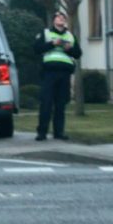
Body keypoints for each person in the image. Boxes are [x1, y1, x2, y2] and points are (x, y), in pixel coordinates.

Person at [34, 11, 81, 141]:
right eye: (58, 17)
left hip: (64, 73)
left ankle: (59, 132)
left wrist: (69, 49)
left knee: (61, 104)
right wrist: (52, 44)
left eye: (63, 17)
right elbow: (36, 48)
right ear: (54, 20)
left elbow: (78, 53)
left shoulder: (70, 36)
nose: (61, 18)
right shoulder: (46, 33)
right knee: (46, 103)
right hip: (49, 72)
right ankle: (42, 132)